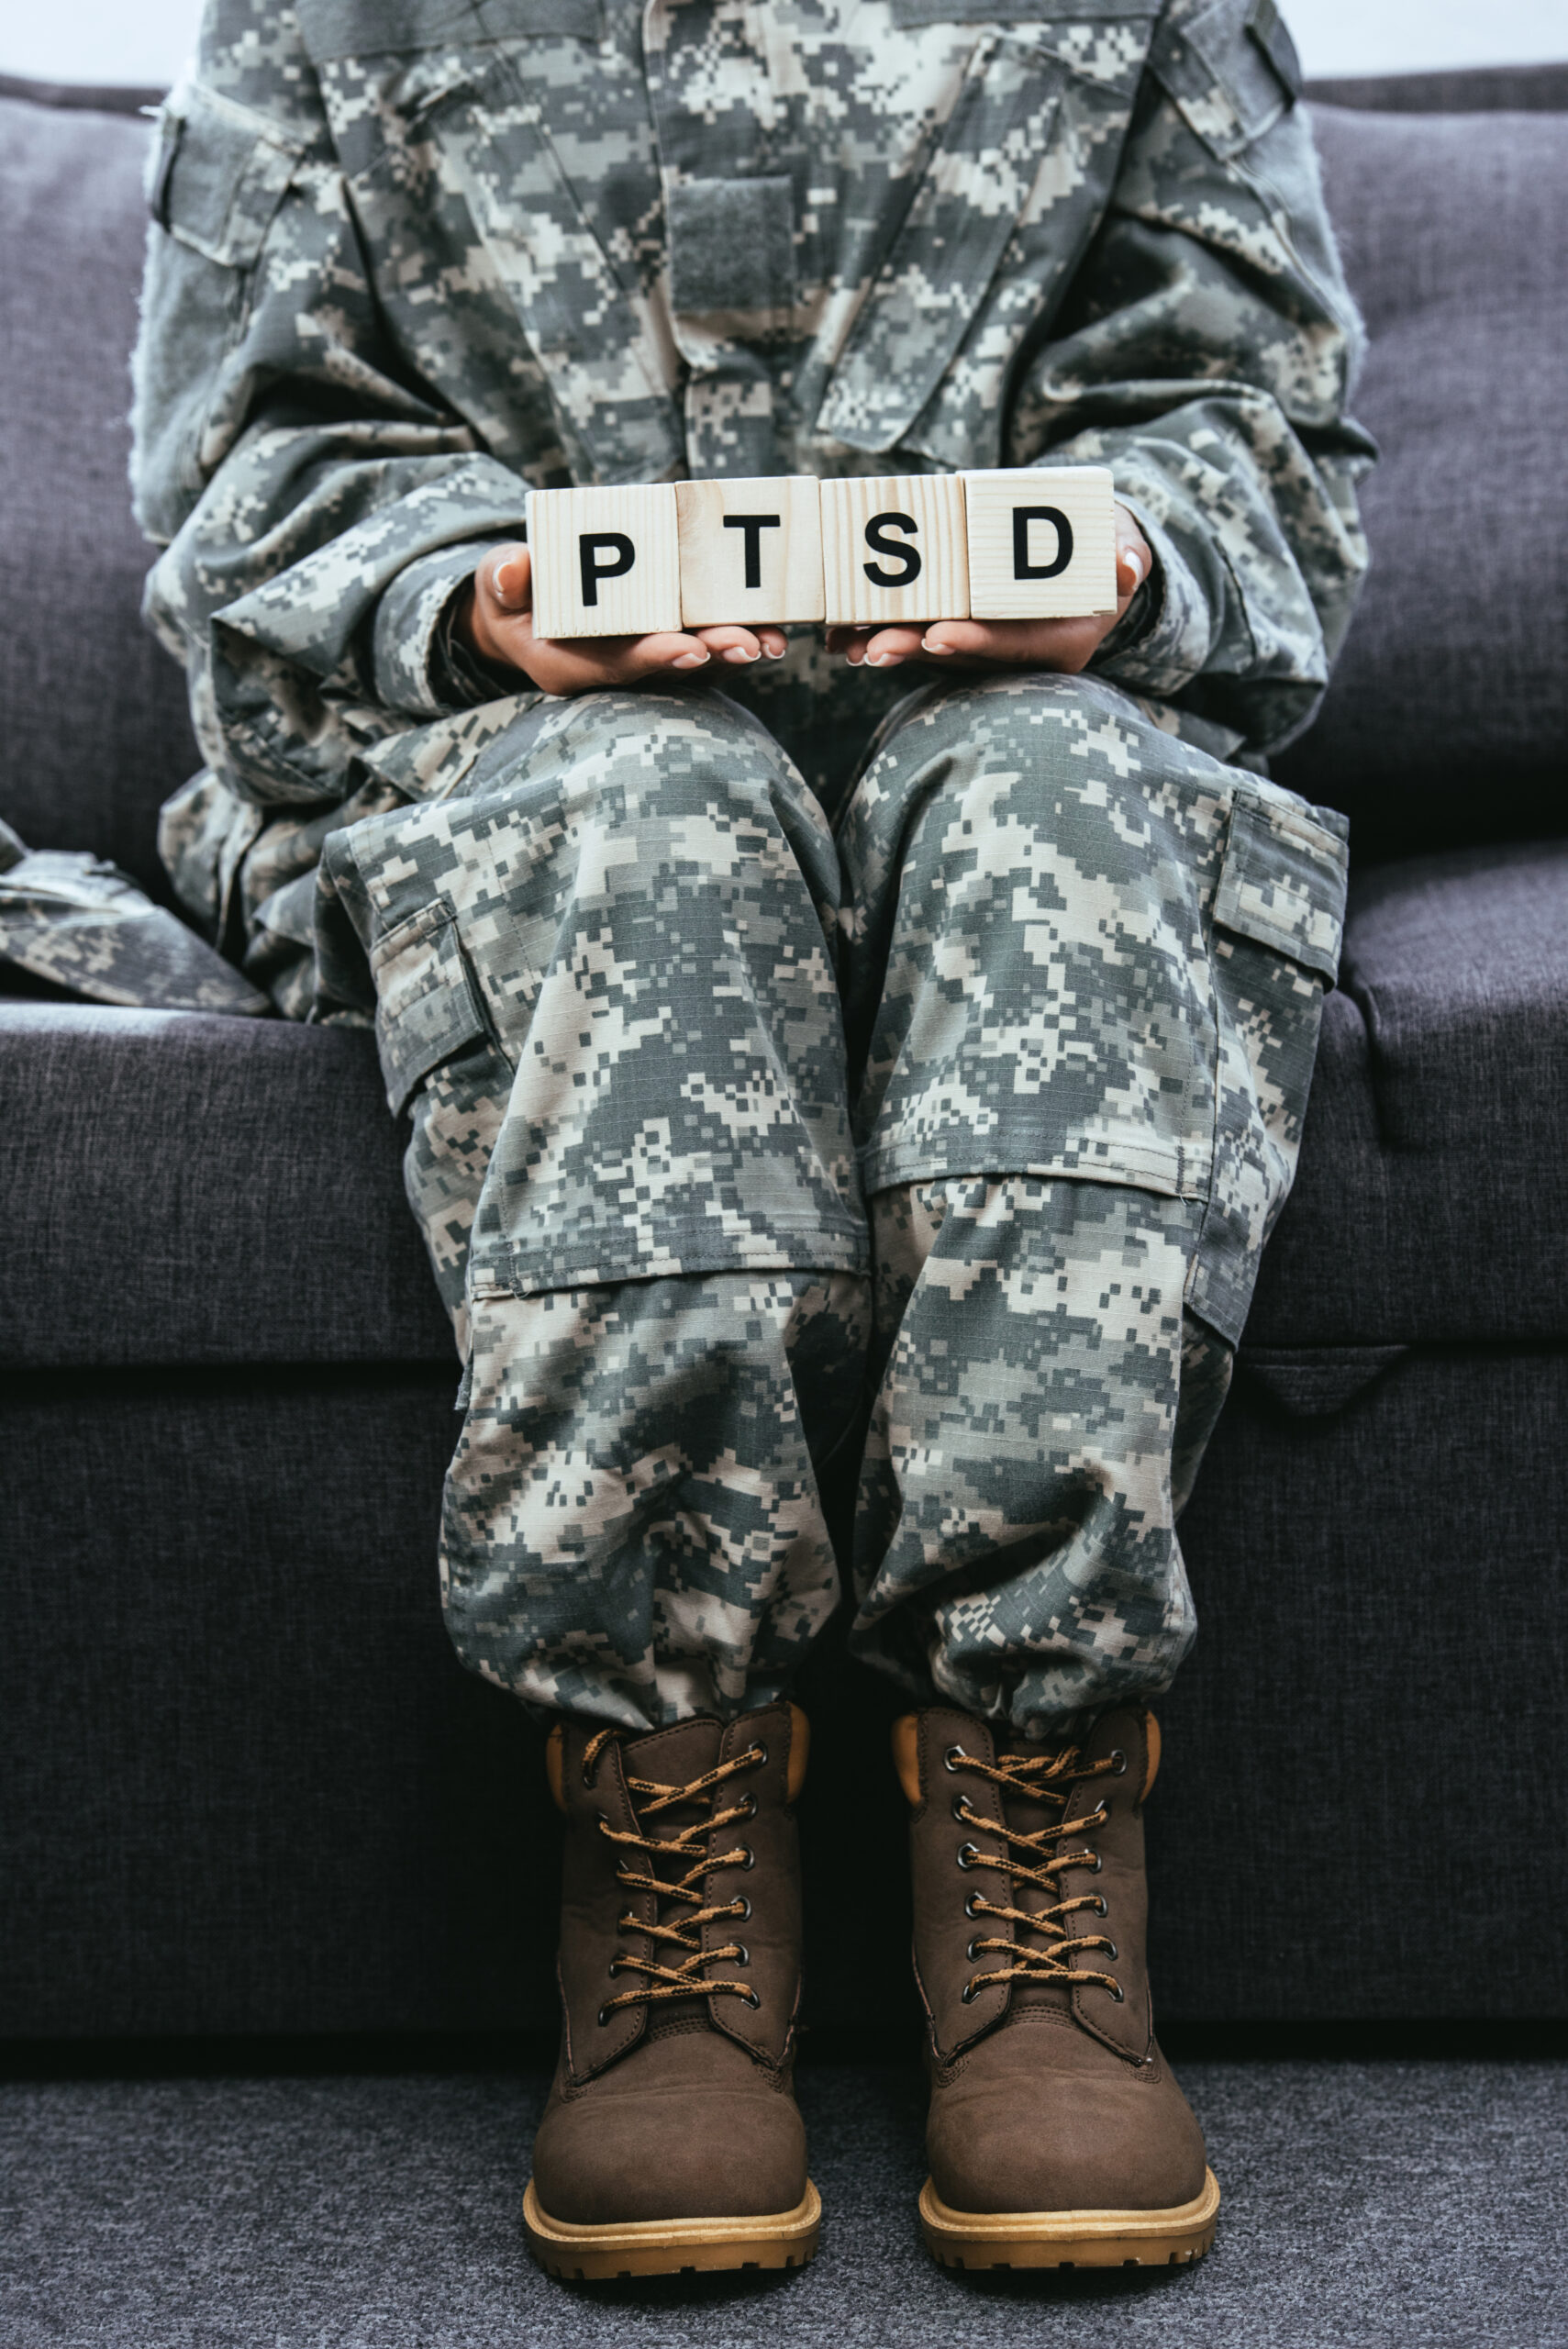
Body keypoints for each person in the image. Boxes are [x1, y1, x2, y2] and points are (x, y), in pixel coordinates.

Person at [128, 0, 1372, 2283]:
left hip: (1006, 730)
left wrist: (1118, 564)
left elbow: (1268, 439)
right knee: (659, 808)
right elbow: (247, 484)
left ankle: (1035, 1803)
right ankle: (668, 1822)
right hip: (525, 759)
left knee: (1058, 798)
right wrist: (476, 597)